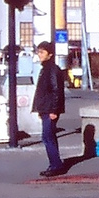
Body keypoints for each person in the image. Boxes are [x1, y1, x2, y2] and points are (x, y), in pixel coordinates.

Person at [31, 41, 66, 177]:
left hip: (50, 109)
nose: (39, 54)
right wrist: (41, 109)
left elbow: (56, 91)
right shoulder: (45, 69)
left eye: (42, 52)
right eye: (38, 52)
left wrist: (53, 110)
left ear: (50, 54)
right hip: (46, 109)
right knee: (48, 136)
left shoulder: (52, 69)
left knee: (47, 137)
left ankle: (56, 165)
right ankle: (55, 163)